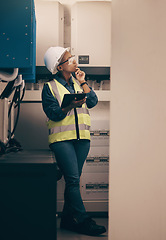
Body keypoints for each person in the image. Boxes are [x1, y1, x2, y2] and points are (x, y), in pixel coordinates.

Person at [42, 46, 106, 236]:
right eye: (70, 60)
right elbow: (52, 113)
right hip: (62, 140)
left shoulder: (79, 84)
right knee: (72, 180)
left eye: (73, 58)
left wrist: (83, 81)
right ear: (59, 67)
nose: (74, 62)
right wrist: (69, 105)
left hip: (82, 140)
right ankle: (83, 220)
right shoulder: (49, 87)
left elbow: (93, 102)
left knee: (73, 181)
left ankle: (68, 220)